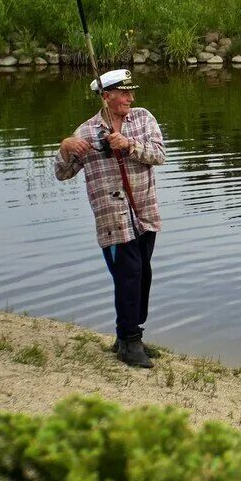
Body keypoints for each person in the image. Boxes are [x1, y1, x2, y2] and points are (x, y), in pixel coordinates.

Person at [54, 69, 166, 369]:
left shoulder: (143, 118)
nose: (131, 97)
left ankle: (129, 335)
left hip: (144, 211)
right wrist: (65, 148)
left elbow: (159, 155)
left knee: (142, 273)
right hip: (112, 217)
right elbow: (62, 173)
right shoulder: (86, 132)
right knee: (128, 273)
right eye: (124, 92)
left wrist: (129, 145)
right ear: (107, 96)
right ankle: (129, 340)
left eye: (132, 92)